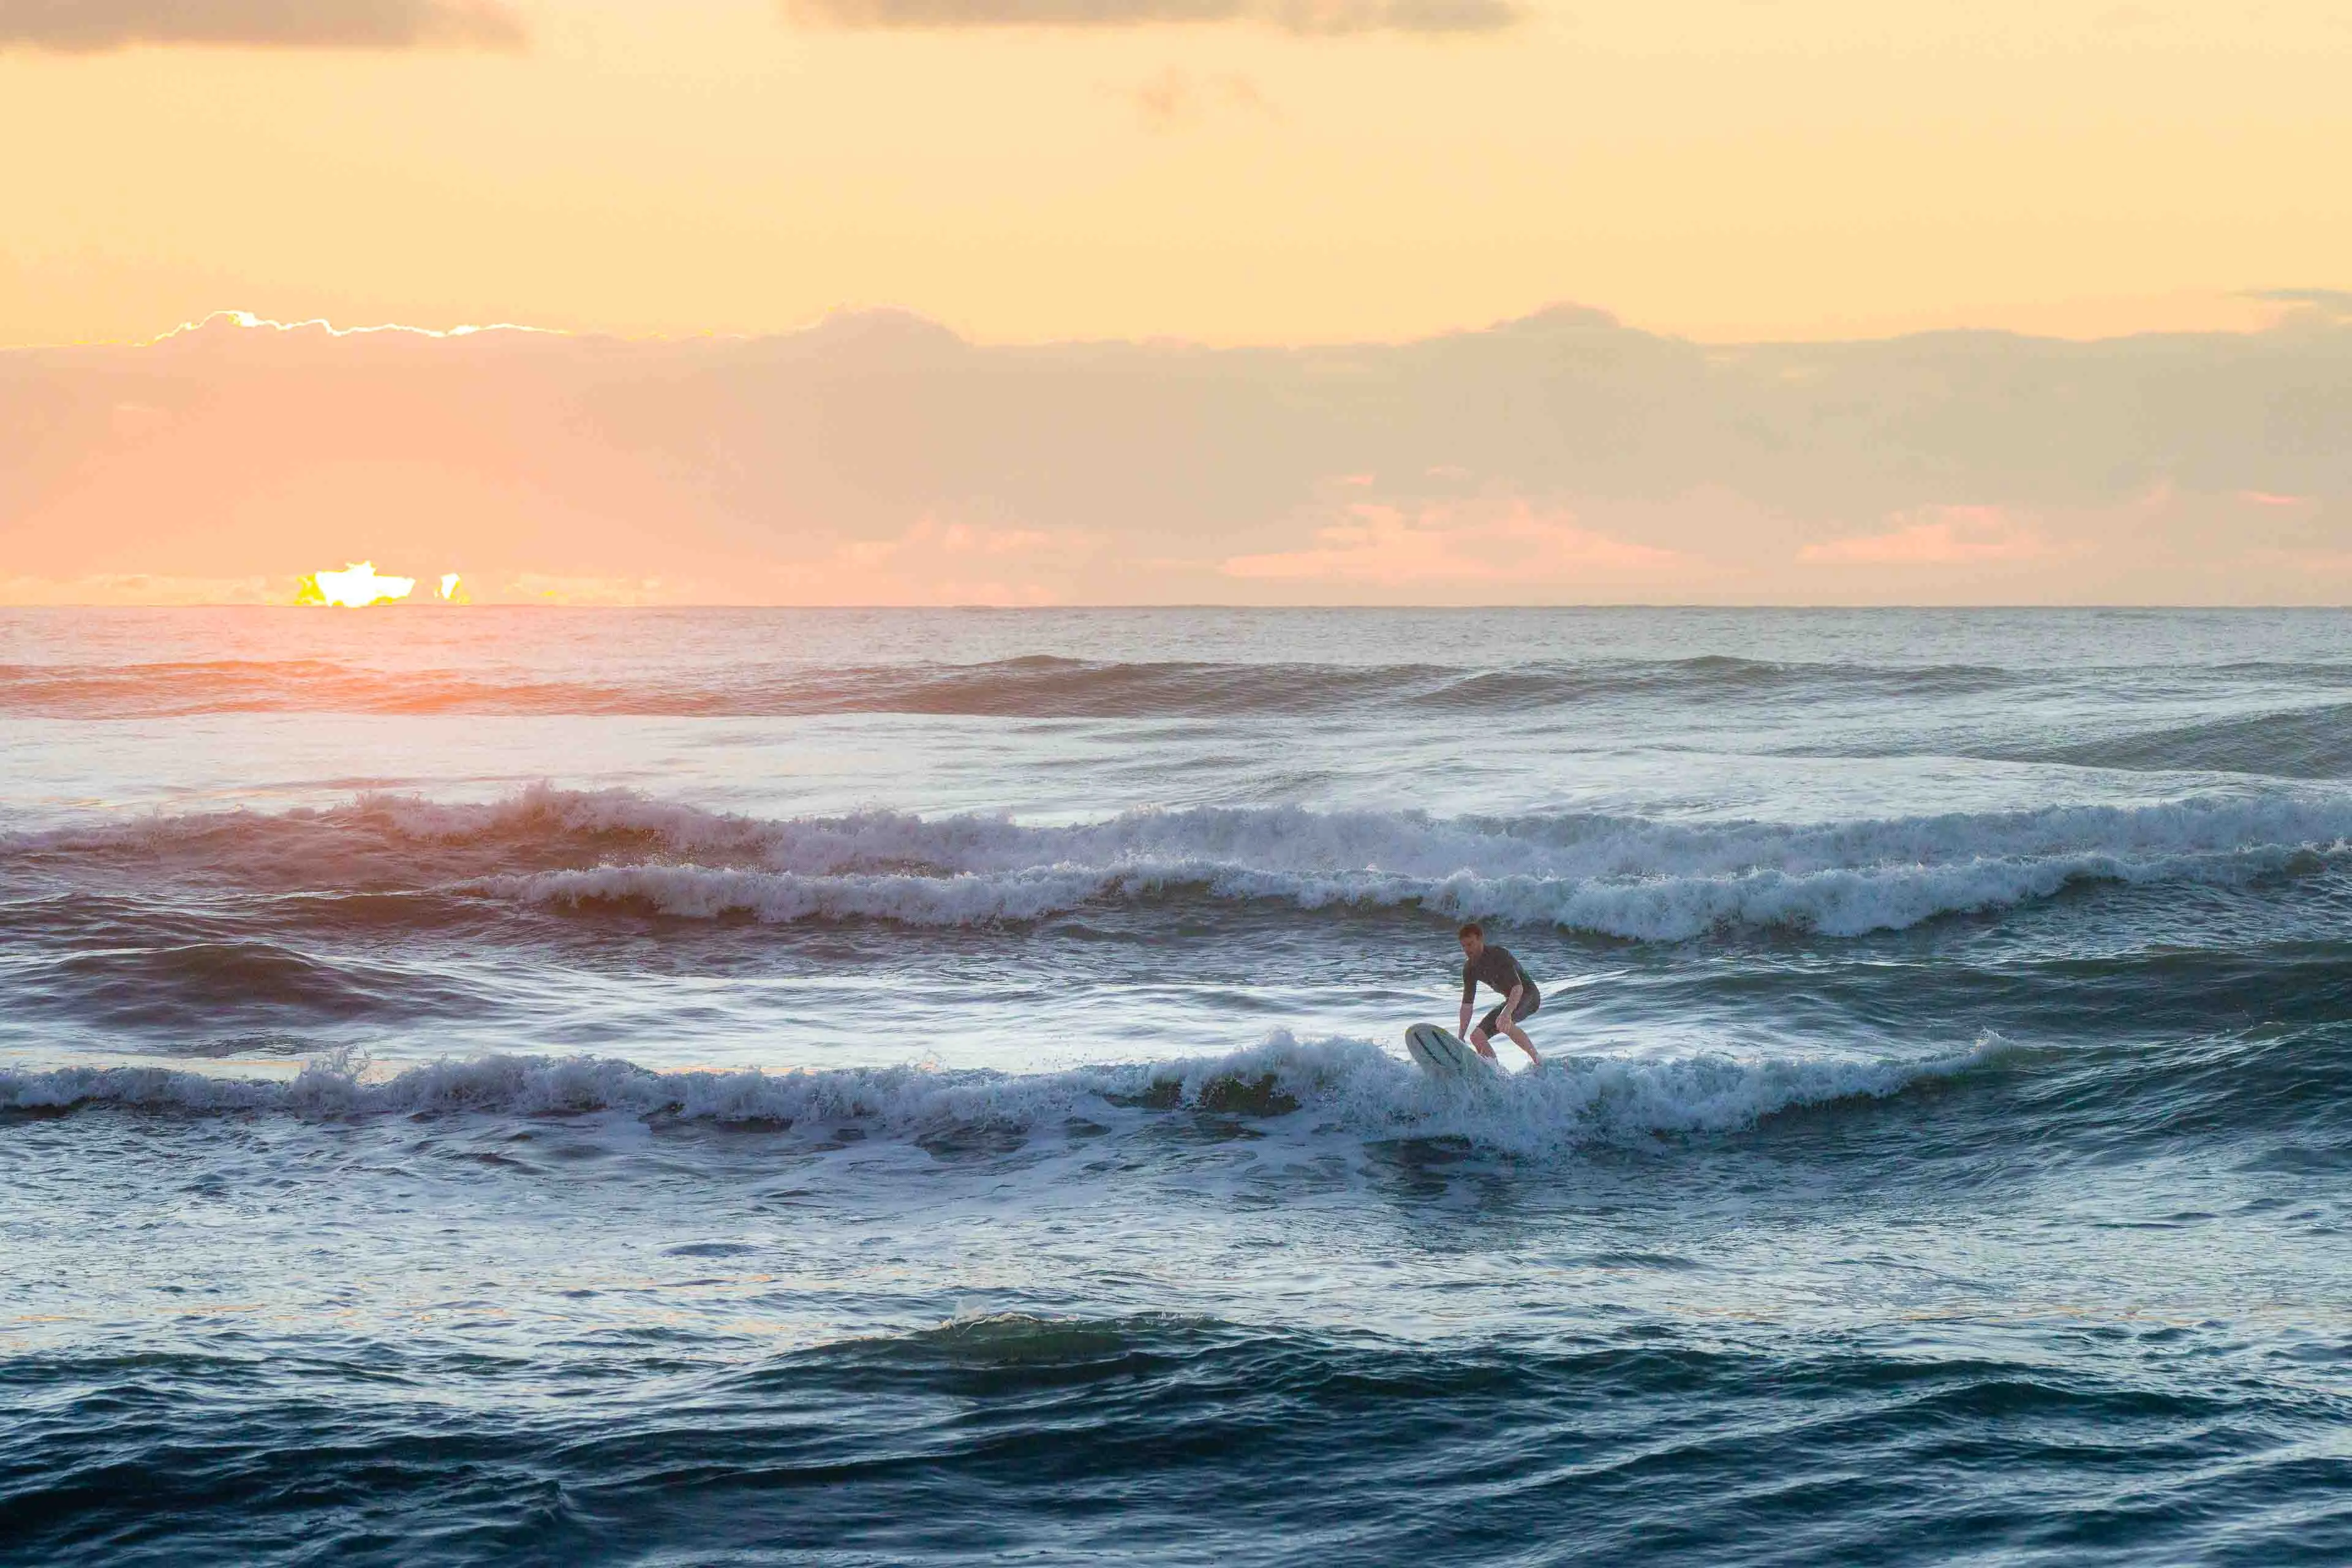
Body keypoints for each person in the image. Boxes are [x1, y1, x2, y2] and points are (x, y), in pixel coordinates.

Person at [1457, 921, 1542, 1066]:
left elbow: (1518, 988)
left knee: (1503, 1023)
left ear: (1480, 939)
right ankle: (1494, 1073)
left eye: (1470, 944)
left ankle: (1538, 1061)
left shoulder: (1498, 955)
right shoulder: (1470, 968)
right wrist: (1460, 1036)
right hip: (1512, 1000)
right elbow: (1467, 1005)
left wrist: (1507, 1012)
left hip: (1529, 996)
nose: (1467, 950)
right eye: (1464, 946)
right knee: (1477, 1037)